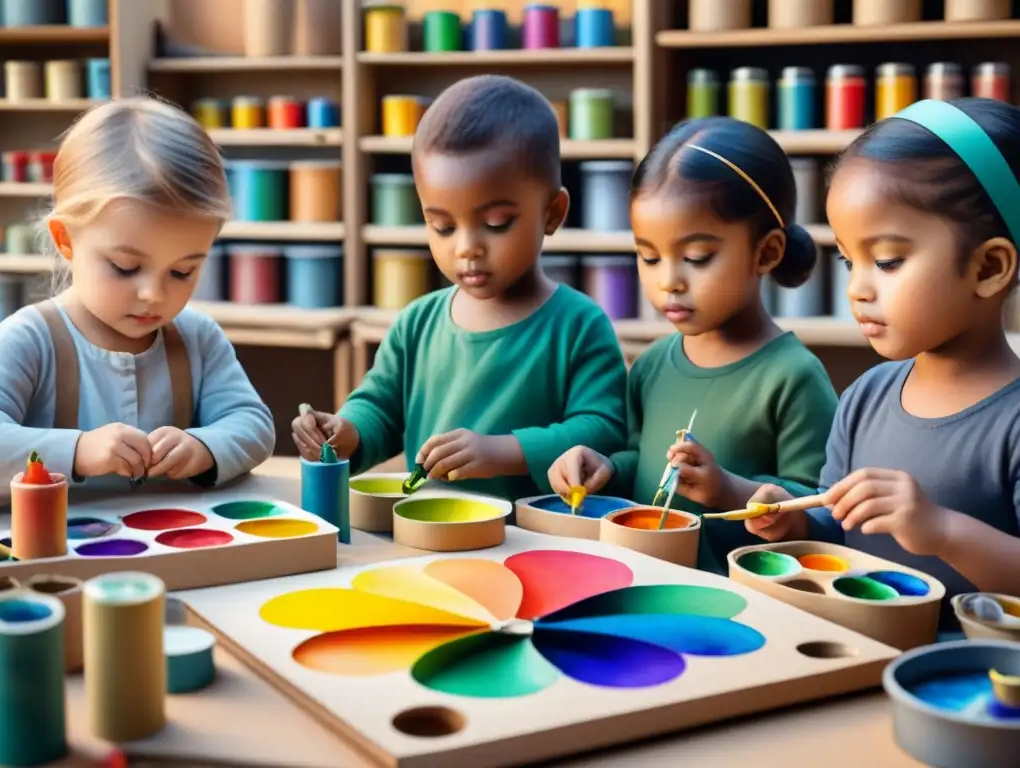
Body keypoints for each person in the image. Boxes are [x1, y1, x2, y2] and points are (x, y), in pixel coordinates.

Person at [746, 98, 1020, 621]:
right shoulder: (866, 396)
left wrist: (940, 530)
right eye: (850, 260)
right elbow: (839, 525)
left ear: (988, 267)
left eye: (888, 261)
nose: (857, 289)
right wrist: (796, 523)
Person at [291, 75, 627, 500]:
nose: (467, 248)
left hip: (534, 539)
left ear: (552, 213)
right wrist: (346, 432)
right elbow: (380, 408)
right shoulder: (417, 322)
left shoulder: (580, 325)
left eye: (496, 224)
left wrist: (502, 452)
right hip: (431, 535)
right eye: (443, 226)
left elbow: (604, 430)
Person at [547, 117, 838, 572]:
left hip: (744, 606)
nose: (669, 282)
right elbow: (646, 469)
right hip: (643, 583)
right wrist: (605, 469)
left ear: (766, 253)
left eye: (697, 258)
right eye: (648, 256)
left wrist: (727, 489)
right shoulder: (650, 366)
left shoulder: (792, 377)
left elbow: (819, 512)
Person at [0, 97, 276, 504]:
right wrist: (78, 451)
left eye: (182, 271)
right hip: (59, 557)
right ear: (66, 240)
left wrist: (204, 447)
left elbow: (253, 424)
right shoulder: (30, 339)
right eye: (125, 267)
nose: (154, 294)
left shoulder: (198, 338)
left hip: (174, 548)